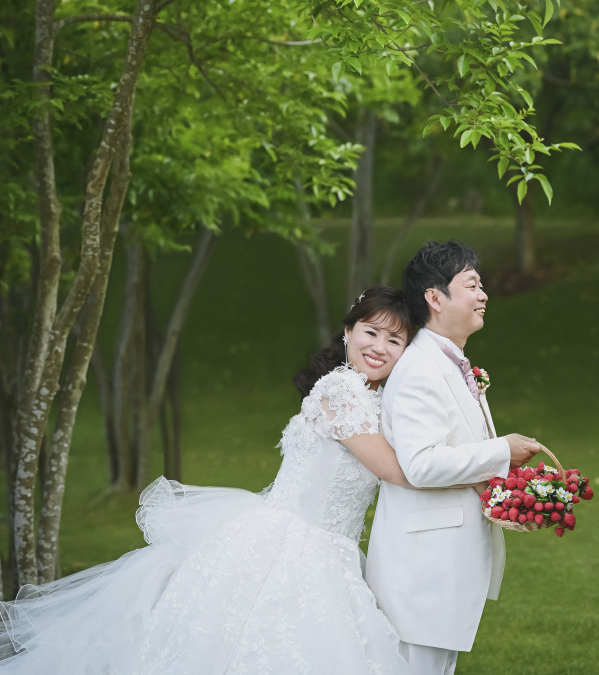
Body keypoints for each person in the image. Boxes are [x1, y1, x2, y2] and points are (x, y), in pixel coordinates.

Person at [1, 286, 415, 674]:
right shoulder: (343, 391)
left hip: (326, 548)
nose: (379, 346)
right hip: (297, 546)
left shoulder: (374, 400)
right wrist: (471, 474)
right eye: (371, 331)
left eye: (394, 341)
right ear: (348, 331)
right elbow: (393, 470)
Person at [366, 240, 541, 675]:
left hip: (442, 570)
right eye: (473, 285)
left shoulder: (450, 364)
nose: (484, 296)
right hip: (423, 572)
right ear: (435, 297)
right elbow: (420, 465)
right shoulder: (419, 370)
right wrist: (502, 450)